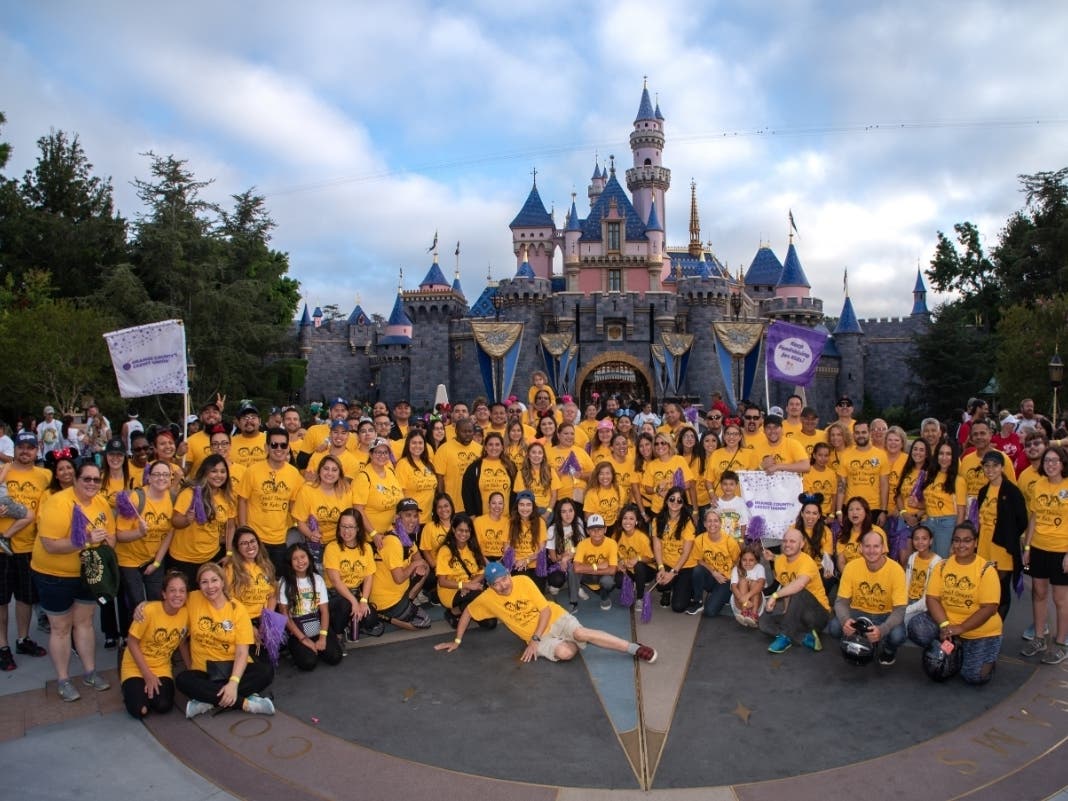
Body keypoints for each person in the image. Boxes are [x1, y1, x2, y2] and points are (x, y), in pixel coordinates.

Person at [435, 561, 657, 663]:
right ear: (490, 586)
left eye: (504, 579)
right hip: (538, 636)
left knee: (582, 633)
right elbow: (467, 612)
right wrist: (457, 640)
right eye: (496, 583)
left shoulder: (523, 581)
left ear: (509, 575)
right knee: (566, 653)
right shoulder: (487, 598)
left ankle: (634, 648)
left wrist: (534, 640)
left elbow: (544, 612)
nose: (502, 585)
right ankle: (574, 641)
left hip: (553, 618)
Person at [31, 460, 116, 700]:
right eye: (86, 479)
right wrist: (86, 540)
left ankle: (90, 672)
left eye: (96, 479)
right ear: (76, 480)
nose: (92, 483)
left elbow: (111, 536)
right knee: (61, 628)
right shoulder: (57, 503)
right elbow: (50, 545)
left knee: (85, 623)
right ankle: (63, 679)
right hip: (54, 575)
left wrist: (106, 542)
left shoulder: (101, 502)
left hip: (87, 572)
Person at [908, 522, 1003, 684]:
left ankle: (986, 657)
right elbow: (932, 598)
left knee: (974, 677)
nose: (961, 545)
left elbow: (989, 608)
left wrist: (961, 628)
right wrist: (945, 625)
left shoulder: (986, 570)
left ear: (975, 543)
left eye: (967, 540)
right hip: (948, 625)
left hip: (980, 630)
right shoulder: (942, 566)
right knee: (917, 627)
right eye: (957, 540)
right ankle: (955, 646)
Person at [176, 562, 275, 717]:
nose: (210, 586)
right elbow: (170, 602)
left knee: (266, 672)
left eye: (214, 580)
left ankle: (207, 700)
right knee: (183, 679)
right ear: (199, 585)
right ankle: (246, 703)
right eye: (204, 582)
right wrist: (144, 606)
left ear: (223, 582)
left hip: (234, 668)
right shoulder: (192, 599)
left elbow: (242, 651)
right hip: (205, 670)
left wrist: (234, 682)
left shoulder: (237, 609)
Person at [0, 431, 52, 670]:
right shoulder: (3, 470)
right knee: (1, 600)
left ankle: (23, 639)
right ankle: (2, 647)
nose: (25, 451)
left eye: (30, 447)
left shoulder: (45, 475)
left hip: (28, 546)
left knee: (25, 597)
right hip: (2, 549)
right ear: (15, 448)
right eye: (21, 446)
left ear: (36, 450)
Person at [829, 529, 908, 665]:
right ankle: (854, 641)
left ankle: (888, 650)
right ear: (861, 548)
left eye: (876, 546)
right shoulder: (851, 567)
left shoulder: (896, 570)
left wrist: (882, 630)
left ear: (883, 548)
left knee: (898, 635)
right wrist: (845, 620)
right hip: (857, 611)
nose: (871, 551)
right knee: (835, 627)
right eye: (867, 546)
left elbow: (900, 609)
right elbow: (841, 601)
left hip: (885, 614)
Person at [1020, 444, 1068, 664]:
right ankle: (1039, 638)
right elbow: (1034, 518)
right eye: (1047, 460)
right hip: (1039, 548)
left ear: (1063, 464)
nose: (1050, 464)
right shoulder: (1039, 484)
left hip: (1061, 550)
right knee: (1039, 593)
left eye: (1054, 461)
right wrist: (1027, 547)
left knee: (1060, 599)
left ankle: (1061, 643)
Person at [120, 570, 190, 718]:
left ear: (186, 595)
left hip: (161, 667)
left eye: (182, 591)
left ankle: (142, 692)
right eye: (172, 590)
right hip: (135, 665)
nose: (177, 595)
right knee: (141, 710)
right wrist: (147, 675)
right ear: (164, 594)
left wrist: (191, 669)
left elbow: (182, 643)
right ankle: (131, 689)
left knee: (163, 705)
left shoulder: (186, 614)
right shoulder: (148, 611)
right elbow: (132, 642)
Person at [115, 459, 175, 630]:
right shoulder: (135, 498)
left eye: (165, 475)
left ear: (171, 478)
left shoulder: (172, 498)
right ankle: (133, 637)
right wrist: (139, 533)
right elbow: (119, 535)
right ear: (149, 477)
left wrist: (157, 562)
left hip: (154, 558)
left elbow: (169, 533)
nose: (161, 478)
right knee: (137, 604)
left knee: (156, 601)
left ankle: (152, 636)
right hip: (129, 559)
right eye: (157, 474)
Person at [237, 428, 304, 574]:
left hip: (281, 539)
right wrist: (243, 531)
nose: (279, 449)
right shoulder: (252, 471)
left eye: (283, 445)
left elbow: (294, 506)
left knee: (277, 580)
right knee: (254, 578)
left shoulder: (294, 474)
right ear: (266, 447)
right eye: (274, 445)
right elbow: (242, 501)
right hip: (255, 538)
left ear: (288, 448)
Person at [759, 528, 833, 654]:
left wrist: (775, 595)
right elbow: (787, 588)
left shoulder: (807, 562)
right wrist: (787, 613)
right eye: (785, 541)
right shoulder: (779, 561)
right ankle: (803, 638)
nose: (787, 544)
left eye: (792, 541)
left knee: (799, 591)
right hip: (797, 615)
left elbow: (798, 585)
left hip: (817, 615)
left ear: (802, 544)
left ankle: (785, 636)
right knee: (764, 622)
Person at [976, 450, 1028, 620]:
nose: (990, 469)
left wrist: (1009, 536)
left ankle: (997, 626)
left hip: (1002, 547)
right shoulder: (983, 491)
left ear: (1002, 468)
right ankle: (986, 624)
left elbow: (1022, 520)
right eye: (987, 466)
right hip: (984, 546)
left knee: (1001, 589)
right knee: (987, 587)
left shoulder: (1012, 491)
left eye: (995, 466)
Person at [170, 455, 237, 587]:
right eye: (214, 471)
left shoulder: (227, 497)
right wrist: (186, 520)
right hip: (184, 560)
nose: (219, 475)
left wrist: (229, 552)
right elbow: (175, 521)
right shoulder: (190, 493)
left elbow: (230, 527)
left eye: (223, 471)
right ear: (205, 472)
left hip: (211, 558)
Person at [278, 542, 343, 670]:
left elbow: (324, 612)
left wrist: (323, 637)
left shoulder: (317, 579)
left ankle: (318, 647)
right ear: (290, 562)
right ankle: (297, 649)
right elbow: (285, 616)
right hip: (297, 629)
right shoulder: (284, 582)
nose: (300, 561)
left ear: (308, 557)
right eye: (295, 559)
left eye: (303, 557)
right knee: (308, 663)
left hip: (317, 625)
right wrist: (304, 640)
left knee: (335, 657)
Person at [369, 498, 431, 630]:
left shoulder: (406, 536)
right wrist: (414, 565)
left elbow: (419, 559)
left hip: (399, 593)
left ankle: (408, 601)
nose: (412, 520)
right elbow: (398, 578)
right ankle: (385, 617)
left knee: (425, 568)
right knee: (424, 622)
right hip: (386, 600)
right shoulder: (393, 541)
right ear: (398, 517)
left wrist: (419, 565)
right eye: (408, 515)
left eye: (415, 516)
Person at [323, 507, 382, 640]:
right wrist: (354, 602)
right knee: (345, 605)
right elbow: (335, 581)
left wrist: (363, 601)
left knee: (371, 618)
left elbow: (368, 577)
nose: (346, 531)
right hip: (335, 595)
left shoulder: (366, 548)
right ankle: (337, 634)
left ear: (358, 529)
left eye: (350, 527)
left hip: (355, 593)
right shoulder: (332, 548)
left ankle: (350, 624)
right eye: (343, 526)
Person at [292, 454, 352, 569]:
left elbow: (349, 521)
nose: (329, 473)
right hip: (313, 542)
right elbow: (300, 522)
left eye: (334, 470)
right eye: (326, 468)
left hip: (337, 542)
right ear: (319, 471)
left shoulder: (346, 491)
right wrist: (311, 535)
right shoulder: (307, 490)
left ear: (339, 474)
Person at [436, 513, 490, 628]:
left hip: (470, 588)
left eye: (467, 531)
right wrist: (465, 585)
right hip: (451, 591)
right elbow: (442, 582)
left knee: (490, 623)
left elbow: (482, 573)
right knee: (479, 595)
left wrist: (469, 586)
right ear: (453, 529)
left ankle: (458, 611)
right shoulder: (445, 550)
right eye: (460, 530)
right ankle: (456, 610)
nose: (464, 534)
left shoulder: (473, 547)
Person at [652, 488, 697, 613]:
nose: (675, 502)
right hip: (666, 563)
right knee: (660, 583)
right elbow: (657, 546)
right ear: (666, 500)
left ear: (683, 504)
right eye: (672, 499)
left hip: (684, 566)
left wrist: (673, 573)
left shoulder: (688, 523)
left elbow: (686, 553)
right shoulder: (657, 520)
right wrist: (661, 568)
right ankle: (667, 589)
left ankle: (684, 585)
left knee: (678, 607)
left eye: (679, 500)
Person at [690, 508, 741, 618]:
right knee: (697, 570)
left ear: (720, 523)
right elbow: (699, 560)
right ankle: (698, 601)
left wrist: (734, 583)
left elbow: (738, 562)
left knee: (710, 612)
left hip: (725, 580)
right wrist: (713, 572)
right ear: (704, 524)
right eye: (709, 521)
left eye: (715, 520)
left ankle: (726, 594)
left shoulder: (730, 541)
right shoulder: (699, 539)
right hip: (712, 576)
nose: (712, 524)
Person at [923, 442, 966, 558]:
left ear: (954, 457)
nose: (944, 457)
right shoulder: (929, 476)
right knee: (929, 561)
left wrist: (956, 538)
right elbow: (926, 502)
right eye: (941, 453)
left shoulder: (958, 480)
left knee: (942, 560)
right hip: (928, 523)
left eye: (948, 454)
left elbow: (961, 512)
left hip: (946, 525)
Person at [461, 432, 515, 516]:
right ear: (485, 447)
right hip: (482, 518)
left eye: (497, 445)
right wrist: (472, 515)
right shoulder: (475, 467)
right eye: (490, 444)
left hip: (506, 518)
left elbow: (516, 492)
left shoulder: (510, 466)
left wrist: (514, 515)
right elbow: (467, 493)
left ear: (502, 447)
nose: (494, 448)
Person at [545, 498, 585, 608]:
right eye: (564, 511)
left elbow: (583, 547)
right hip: (558, 564)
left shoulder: (578, 522)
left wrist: (567, 557)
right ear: (559, 513)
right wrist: (563, 557)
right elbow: (553, 557)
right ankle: (561, 585)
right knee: (556, 579)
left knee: (581, 566)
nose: (568, 515)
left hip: (576, 560)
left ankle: (577, 585)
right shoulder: (552, 529)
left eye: (570, 511)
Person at [572, 514, 617, 610]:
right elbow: (576, 568)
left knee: (608, 581)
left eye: (600, 529)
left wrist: (586, 568)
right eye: (592, 529)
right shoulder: (582, 544)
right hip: (590, 576)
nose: (596, 532)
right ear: (587, 531)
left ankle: (604, 598)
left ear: (605, 529)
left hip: (601, 576)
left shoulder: (612, 543)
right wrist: (597, 566)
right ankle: (573, 601)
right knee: (571, 570)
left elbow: (612, 570)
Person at [904, 524, 942, 627]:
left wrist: (907, 609)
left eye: (924, 539)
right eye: (916, 539)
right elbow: (907, 583)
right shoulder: (912, 557)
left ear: (931, 541)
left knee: (903, 623)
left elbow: (928, 599)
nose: (920, 542)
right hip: (908, 601)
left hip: (924, 605)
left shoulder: (937, 562)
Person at [514, 441, 559, 524]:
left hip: (546, 510)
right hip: (528, 510)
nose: (536, 455)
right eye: (533, 452)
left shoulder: (550, 471)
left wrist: (548, 512)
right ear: (528, 455)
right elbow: (521, 498)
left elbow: (554, 496)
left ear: (543, 456)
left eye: (539, 453)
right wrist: (528, 513)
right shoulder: (521, 473)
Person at [729, 543, 766, 626]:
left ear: (756, 561)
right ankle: (744, 612)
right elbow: (733, 587)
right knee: (742, 581)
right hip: (740, 604)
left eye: (751, 560)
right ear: (740, 560)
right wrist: (743, 600)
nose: (747, 562)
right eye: (744, 560)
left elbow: (761, 584)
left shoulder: (759, 567)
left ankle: (754, 615)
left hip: (755, 604)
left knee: (755, 584)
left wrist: (747, 596)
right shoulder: (736, 569)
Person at [474, 491, 510, 561]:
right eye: (494, 503)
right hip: (483, 558)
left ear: (504, 505)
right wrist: (486, 562)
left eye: (500, 503)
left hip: (502, 559)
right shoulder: (478, 521)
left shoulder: (508, 522)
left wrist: (500, 562)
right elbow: (475, 546)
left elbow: (508, 548)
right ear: (488, 505)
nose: (497, 506)